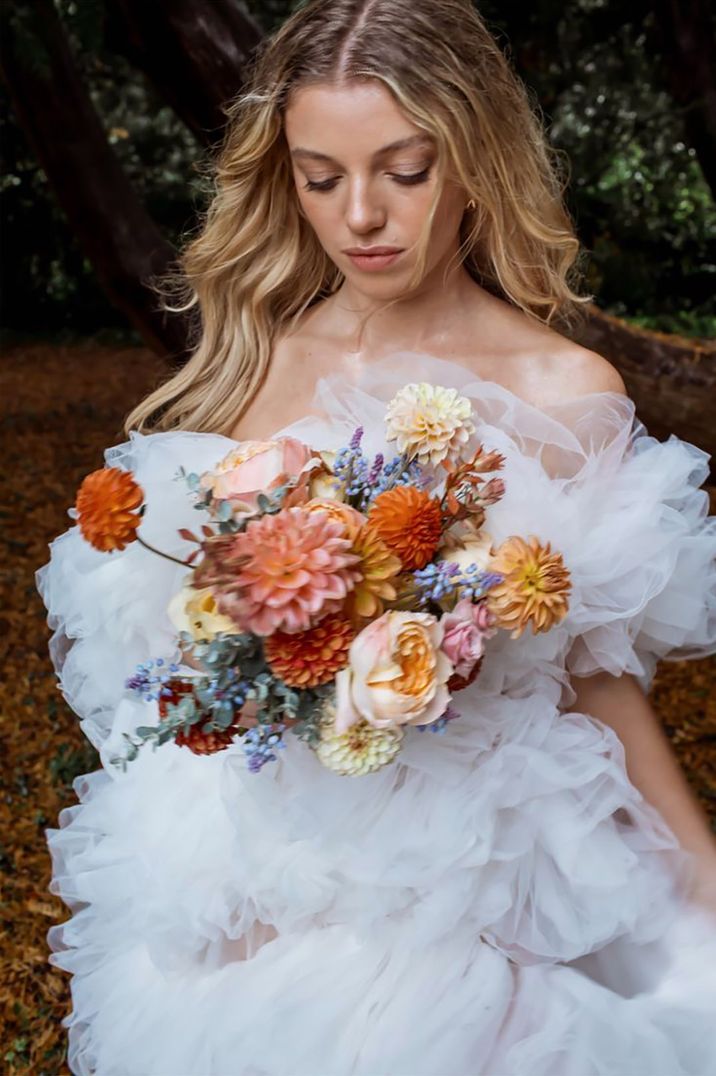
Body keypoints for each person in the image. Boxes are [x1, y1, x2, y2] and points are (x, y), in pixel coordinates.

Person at [36, 1, 716, 1073]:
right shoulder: (256, 368)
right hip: (270, 867)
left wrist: (699, 884)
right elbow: (179, 647)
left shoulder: (565, 393)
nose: (361, 215)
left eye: (403, 169)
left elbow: (595, 674)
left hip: (486, 868)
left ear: (474, 157)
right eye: (319, 176)